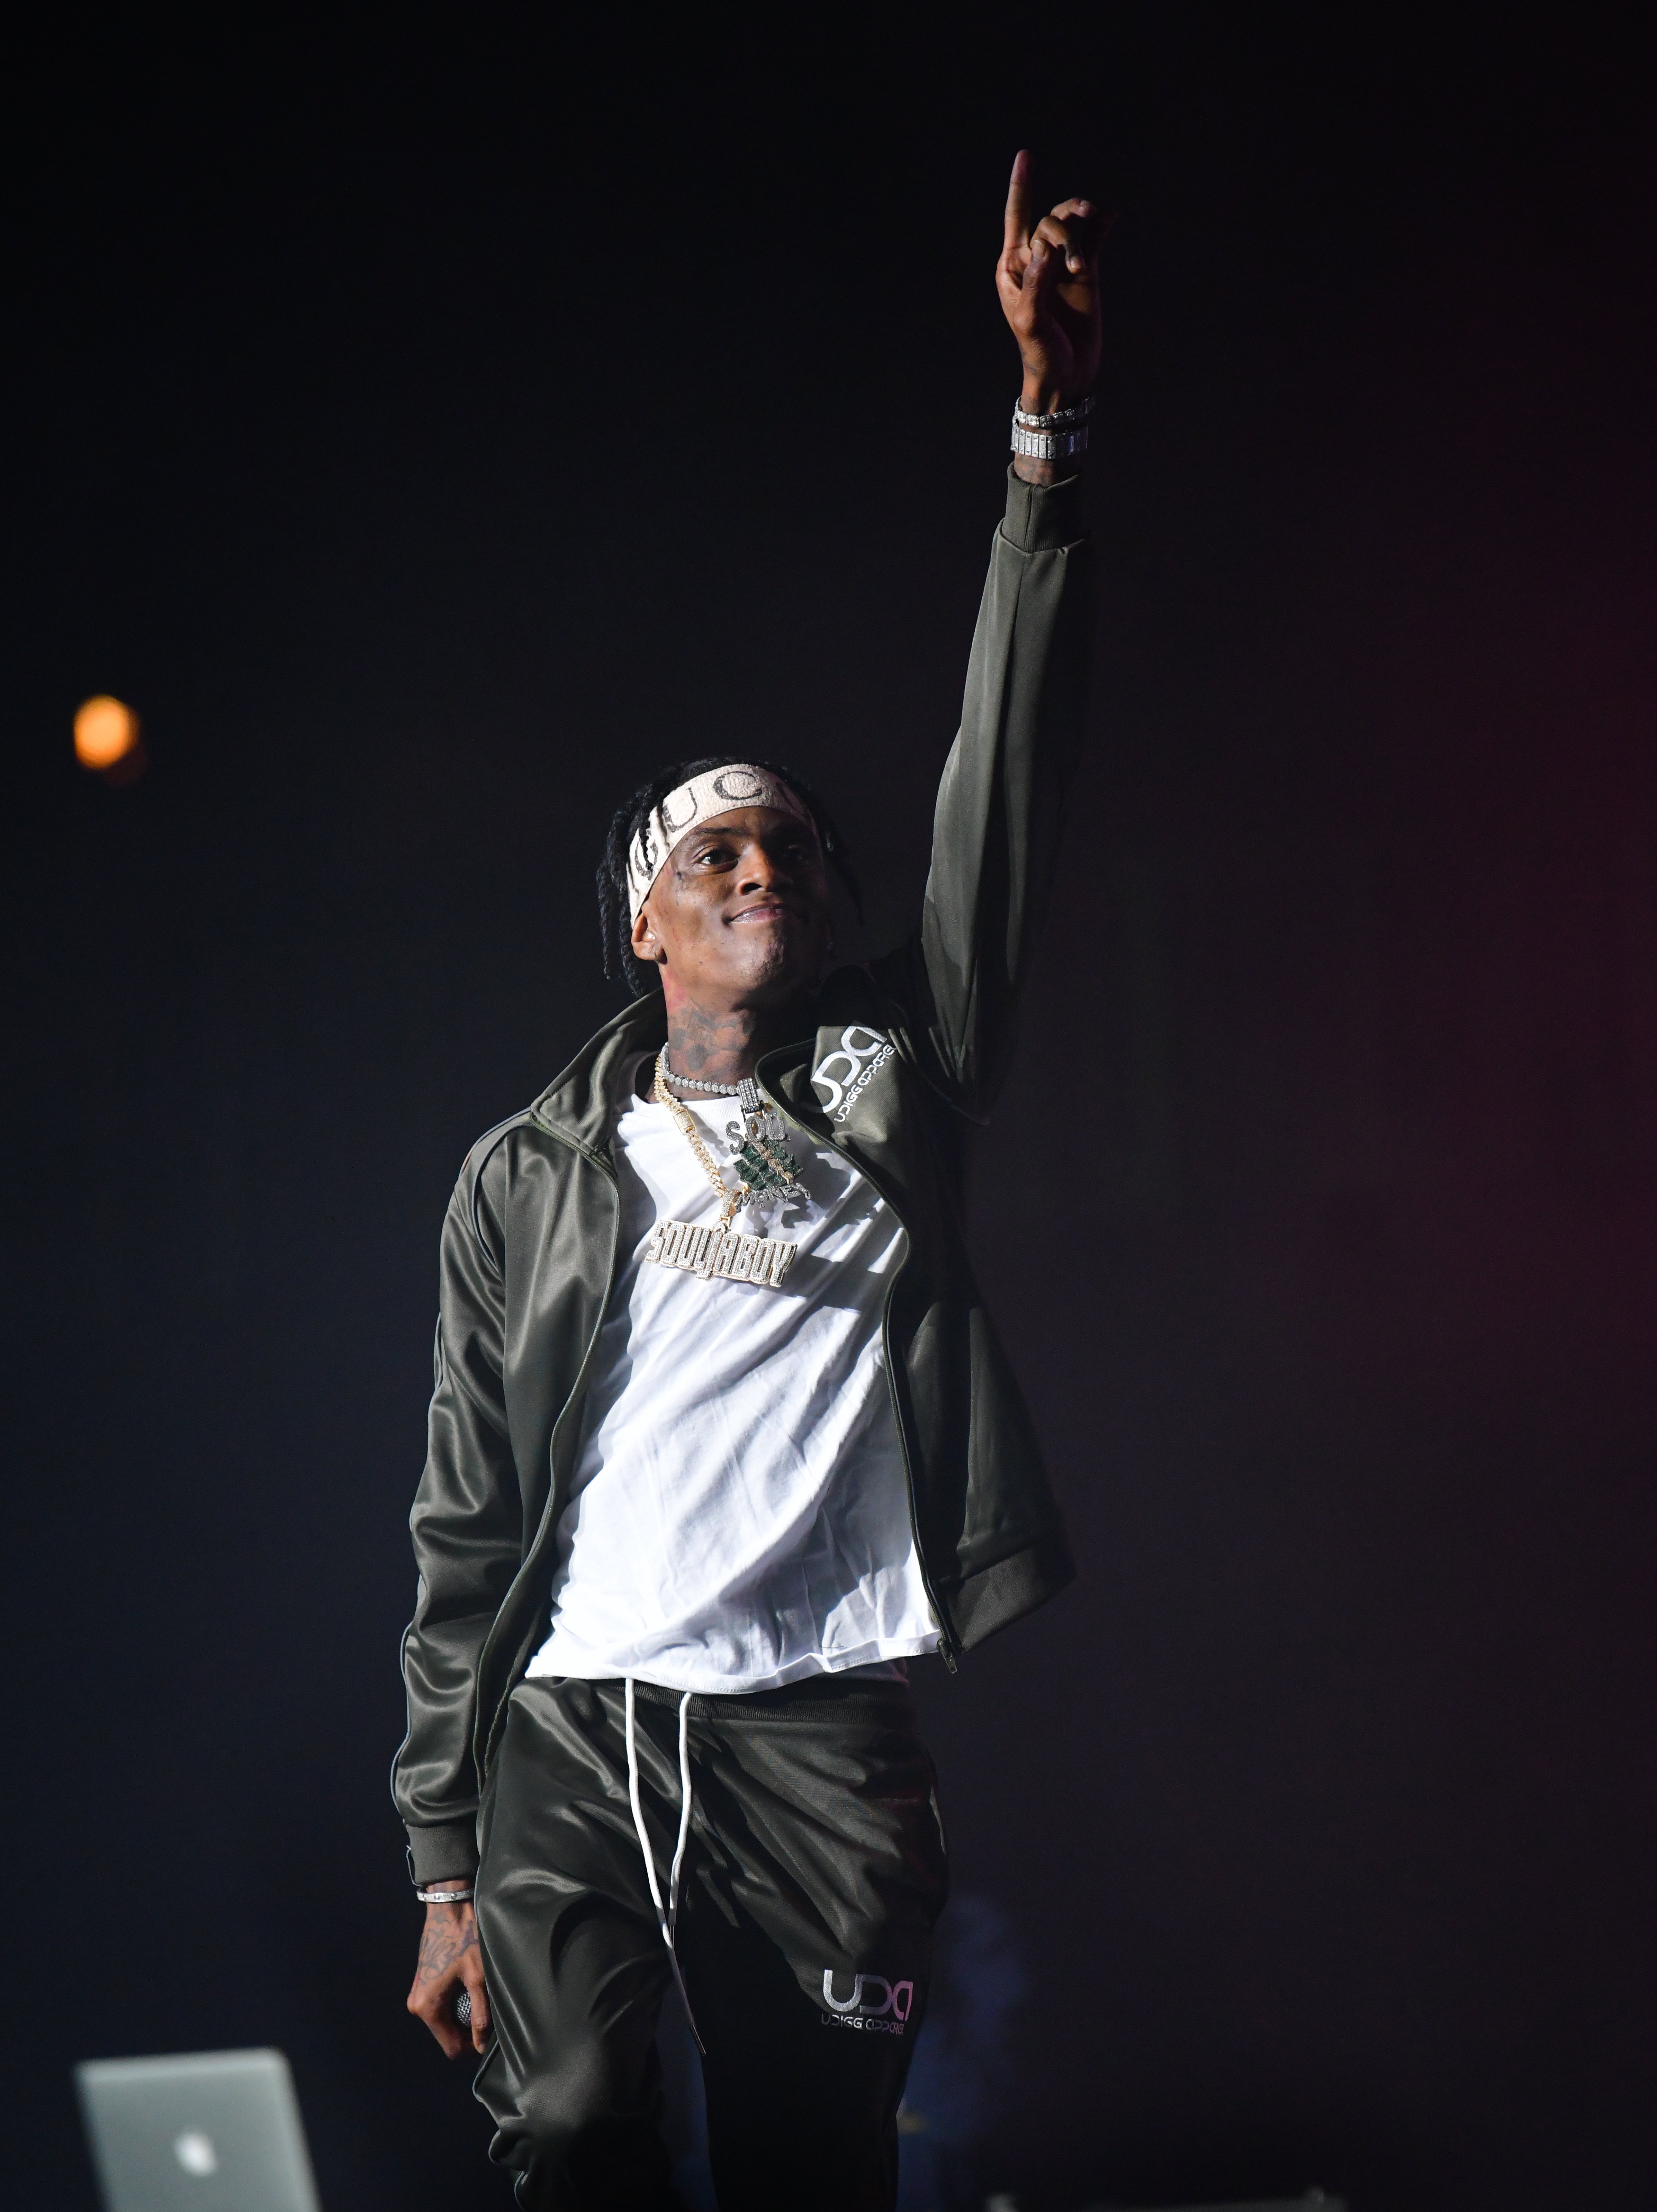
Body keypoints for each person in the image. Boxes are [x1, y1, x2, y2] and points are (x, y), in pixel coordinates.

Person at [393, 150, 1108, 2212]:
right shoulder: (529, 1171)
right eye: (715, 851)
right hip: (575, 1719)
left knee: (813, 2172)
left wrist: (1043, 440)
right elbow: (463, 1518)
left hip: (818, 1730)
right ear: (644, 923)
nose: (761, 864)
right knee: (578, 2125)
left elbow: (1013, 776)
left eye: (789, 842)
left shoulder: (907, 1064)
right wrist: (440, 1858)